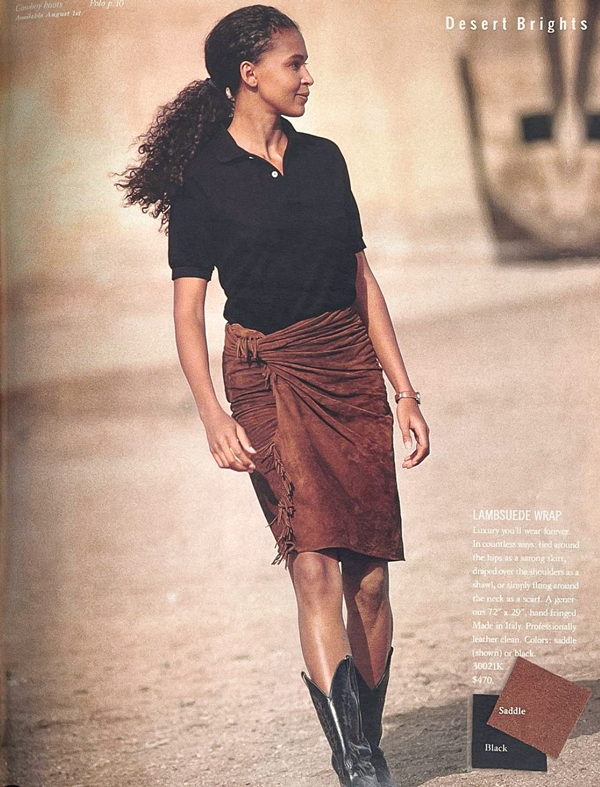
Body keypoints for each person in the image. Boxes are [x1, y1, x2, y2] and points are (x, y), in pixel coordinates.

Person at [115, 5, 430, 786]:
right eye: (296, 63)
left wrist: (405, 391)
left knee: (370, 576)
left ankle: (367, 734)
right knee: (314, 564)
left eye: (307, 61)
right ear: (248, 74)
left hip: (346, 365)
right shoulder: (201, 180)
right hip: (264, 372)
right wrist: (211, 412)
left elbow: (362, 278)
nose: (309, 75)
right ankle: (358, 760)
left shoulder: (326, 160)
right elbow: (189, 310)